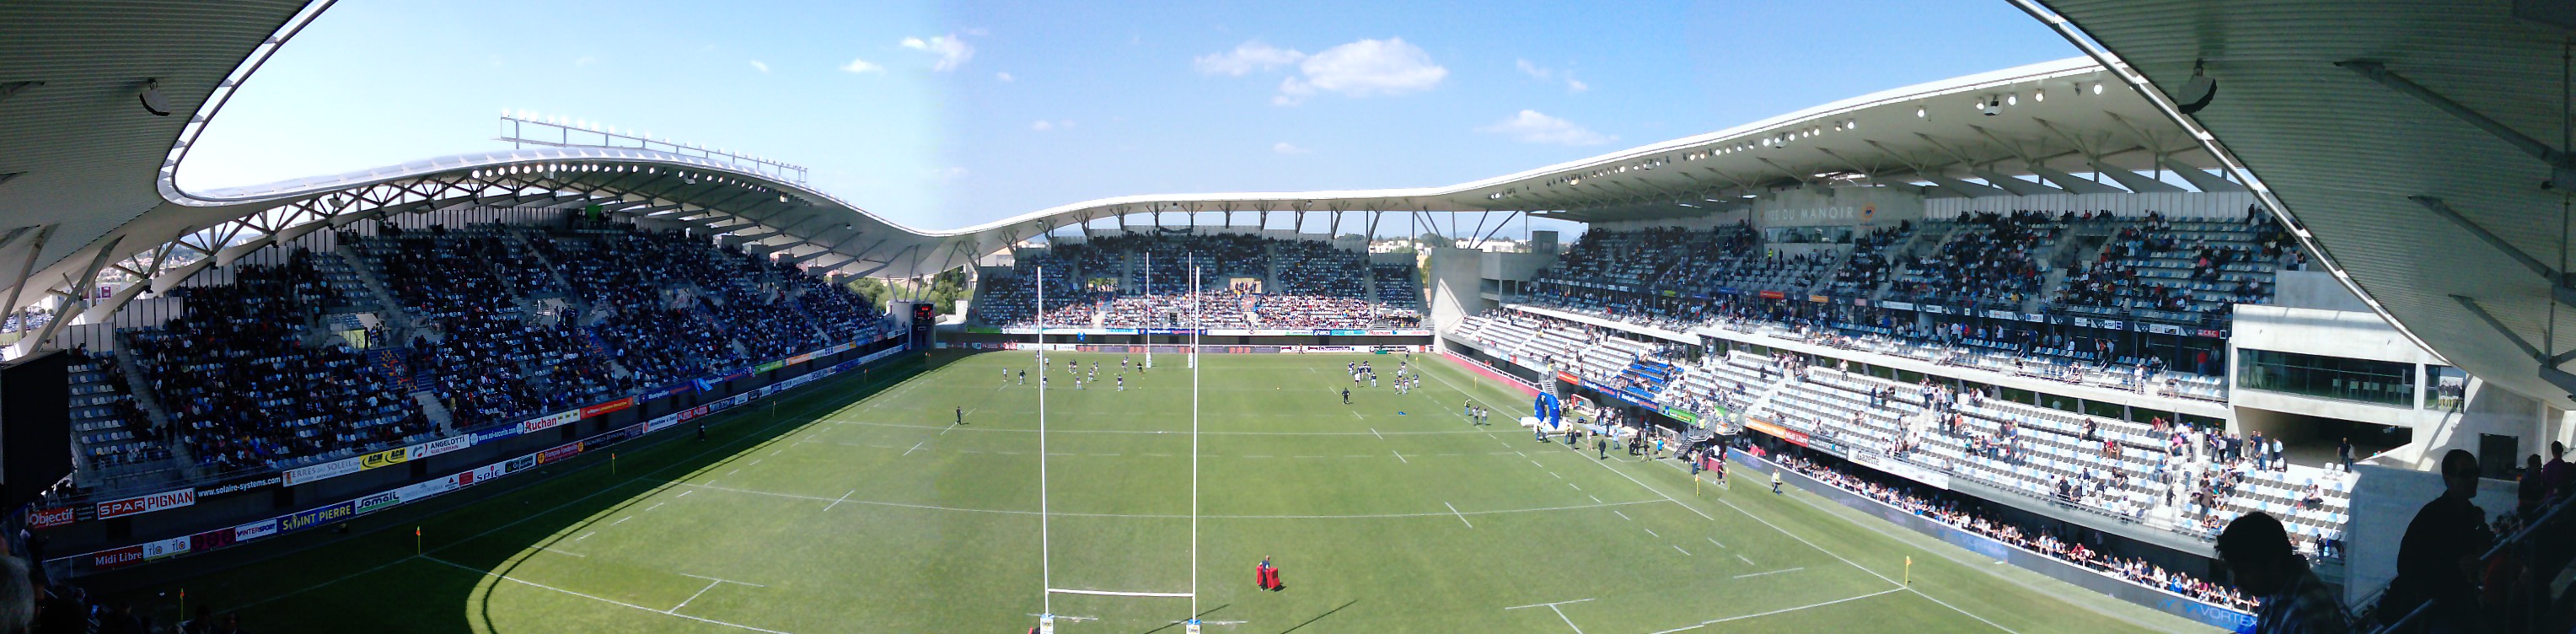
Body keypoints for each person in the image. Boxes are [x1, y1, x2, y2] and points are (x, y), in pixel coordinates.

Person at [2377, 449, 2493, 631]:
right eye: (2465, 474)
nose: (2473, 479)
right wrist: (2454, 567)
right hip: (2433, 606)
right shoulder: (2431, 516)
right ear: (2448, 479)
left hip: (2453, 601)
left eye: (2475, 473)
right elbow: (2406, 565)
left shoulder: (2469, 516)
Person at [2217, 512, 2348, 634]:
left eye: (2243, 571)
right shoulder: (2272, 592)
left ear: (2273, 561)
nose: (2236, 581)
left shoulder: (2308, 617)